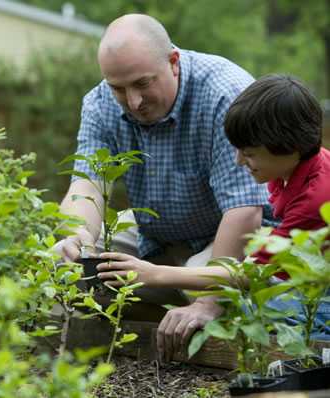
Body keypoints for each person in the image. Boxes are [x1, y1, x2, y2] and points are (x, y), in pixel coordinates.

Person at [52, 14, 273, 362]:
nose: (133, 100)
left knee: (198, 289)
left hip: (225, 236)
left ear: (173, 62)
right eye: (118, 88)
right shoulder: (99, 104)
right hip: (153, 234)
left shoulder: (225, 95)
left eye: (142, 83)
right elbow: (87, 185)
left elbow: (245, 210)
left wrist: (208, 302)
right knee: (58, 271)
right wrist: (78, 238)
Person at [97, 74, 330, 340]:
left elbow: (254, 274)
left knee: (248, 305)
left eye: (250, 153)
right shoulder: (295, 168)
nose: (239, 160)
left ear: (291, 147)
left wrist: (155, 274)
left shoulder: (317, 198)